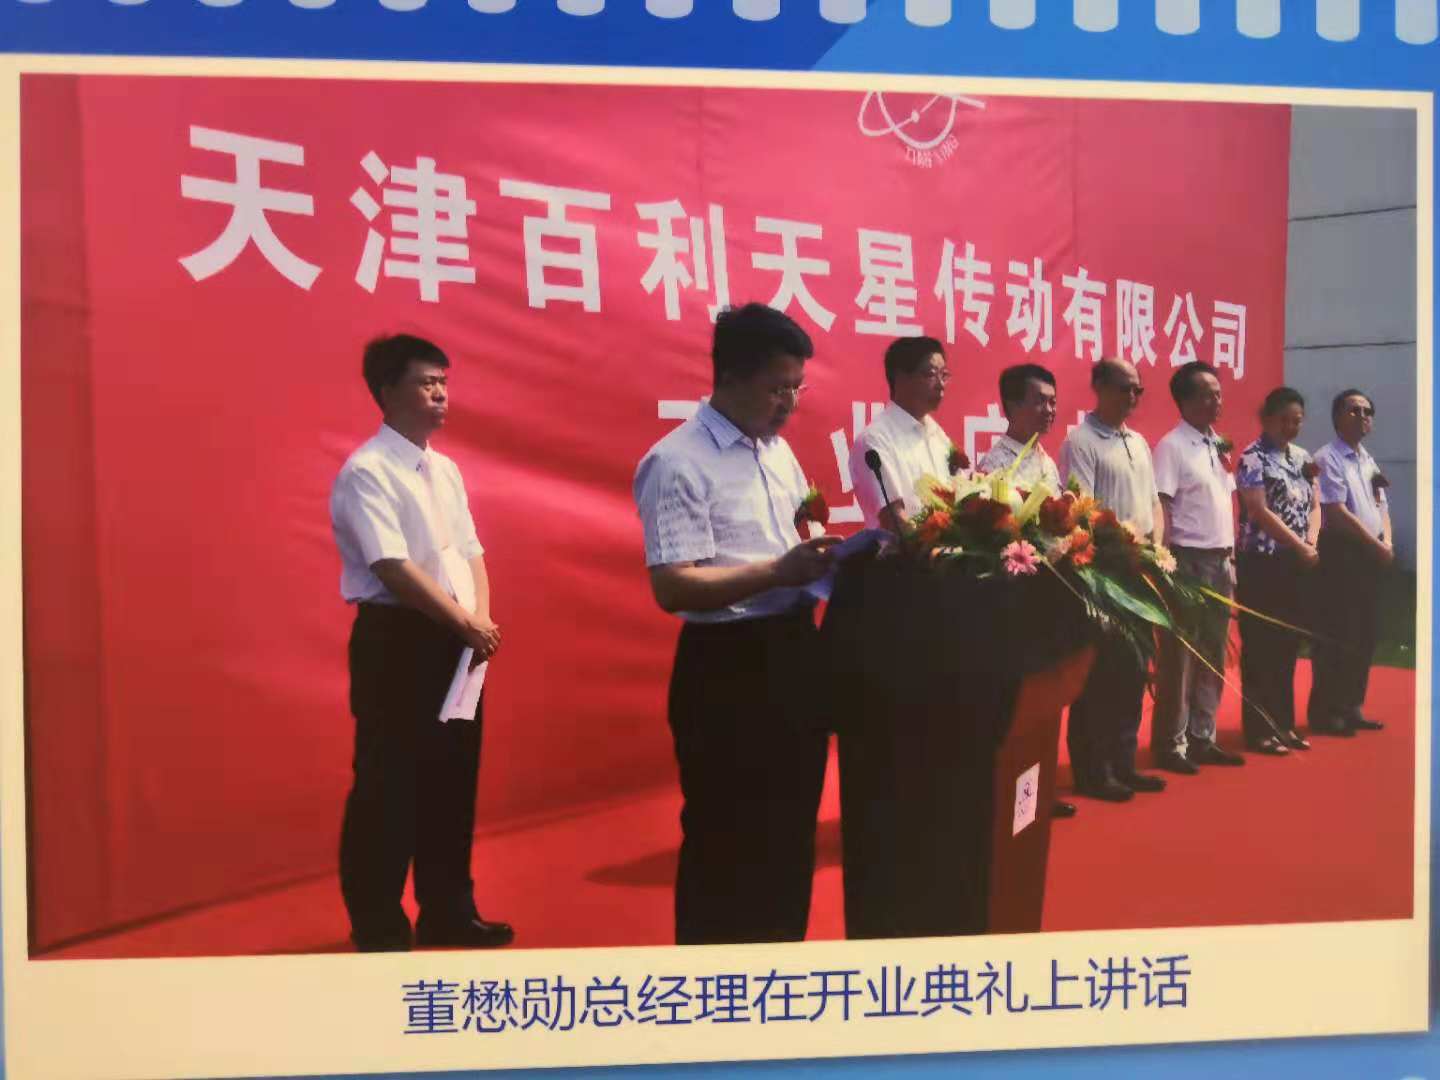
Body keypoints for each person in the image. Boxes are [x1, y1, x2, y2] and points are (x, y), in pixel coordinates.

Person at [633, 302, 838, 945]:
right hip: (726, 667)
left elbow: (792, 540)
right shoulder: (678, 461)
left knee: (790, 830)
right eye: (778, 388)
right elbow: (673, 584)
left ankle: (781, 967)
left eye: (797, 388)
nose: (789, 404)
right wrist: (779, 571)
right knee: (727, 841)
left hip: (794, 652)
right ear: (730, 376)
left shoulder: (777, 452)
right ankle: (712, 985)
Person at [329, 333, 513, 952]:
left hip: (458, 638)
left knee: (452, 780)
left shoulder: (445, 469)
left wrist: (479, 620)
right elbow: (392, 567)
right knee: (389, 785)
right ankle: (379, 924)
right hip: (399, 639)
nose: (439, 394)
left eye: (443, 382)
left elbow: (470, 551)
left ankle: (449, 911)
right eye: (425, 382)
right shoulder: (368, 472)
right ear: (387, 391)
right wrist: (464, 622)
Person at [1059, 358, 1167, 803]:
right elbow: (1083, 510)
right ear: (1099, 387)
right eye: (1124, 388)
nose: (1132, 397)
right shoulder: (1080, 441)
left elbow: (1153, 503)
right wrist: (1122, 547)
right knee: (1100, 672)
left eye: (1138, 390)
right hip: (1104, 573)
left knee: (1133, 669)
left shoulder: (1138, 441)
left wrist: (1156, 548)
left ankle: (1124, 761)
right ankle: (1093, 770)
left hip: (1141, 569)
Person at [980, 362, 1075, 818]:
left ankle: (1041, 791)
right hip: (1014, 598)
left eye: (1053, 402)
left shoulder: (1047, 461)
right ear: (1011, 405)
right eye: (1039, 401)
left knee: (1045, 697)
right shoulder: (994, 464)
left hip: (1049, 596)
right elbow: (995, 535)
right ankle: (1011, 794)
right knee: (1015, 700)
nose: (1049, 410)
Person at [1152, 361, 1245, 772]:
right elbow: (1162, 504)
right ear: (1185, 400)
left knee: (1213, 652)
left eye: (1218, 394)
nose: (1216, 401)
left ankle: (1202, 736)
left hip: (1221, 559)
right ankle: (1171, 744)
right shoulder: (1172, 446)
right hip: (1188, 560)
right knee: (1181, 657)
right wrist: (1165, 561)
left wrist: (1232, 557)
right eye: (1207, 394)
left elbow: (1225, 505)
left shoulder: (1216, 445)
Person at [1235, 387, 1321, 754]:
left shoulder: (1302, 458)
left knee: (1287, 647)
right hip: (1261, 563)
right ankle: (1259, 730)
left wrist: (1311, 540)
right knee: (1260, 647)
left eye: (1297, 420)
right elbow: (1258, 511)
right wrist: (1299, 545)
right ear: (1266, 418)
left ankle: (1284, 724)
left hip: (1295, 565)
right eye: (1284, 420)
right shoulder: (1252, 458)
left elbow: (1314, 504)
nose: (1290, 427)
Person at [1307, 389, 1393, 737]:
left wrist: (1388, 542)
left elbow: (1381, 505)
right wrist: (1376, 545)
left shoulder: (1367, 460)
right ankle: (1326, 711)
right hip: (1341, 554)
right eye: (1354, 410)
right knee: (1336, 633)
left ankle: (1352, 706)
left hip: (1370, 556)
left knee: (1364, 633)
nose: (1362, 416)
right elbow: (1336, 512)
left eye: (1367, 411)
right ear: (1337, 417)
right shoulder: (1327, 458)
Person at [849, 336, 955, 532]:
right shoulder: (875, 440)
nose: (941, 384)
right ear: (901, 378)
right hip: (903, 550)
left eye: (944, 375)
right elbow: (894, 519)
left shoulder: (938, 436)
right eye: (931, 374)